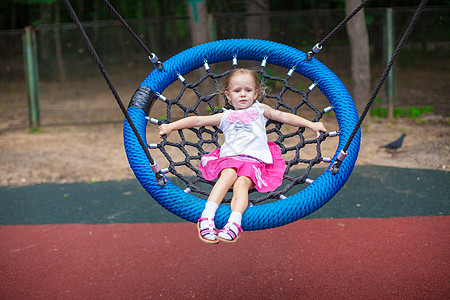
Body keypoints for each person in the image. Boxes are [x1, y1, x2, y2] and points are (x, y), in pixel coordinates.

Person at [158, 68, 327, 244]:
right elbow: (198, 121)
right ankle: (207, 217)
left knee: (242, 183)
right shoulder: (226, 116)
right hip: (230, 158)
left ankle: (234, 222)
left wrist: (311, 124)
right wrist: (171, 126)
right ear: (228, 95)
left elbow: (283, 116)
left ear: (256, 93)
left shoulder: (260, 110)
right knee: (229, 174)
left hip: (253, 162)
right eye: (237, 91)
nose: (243, 95)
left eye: (248, 90)